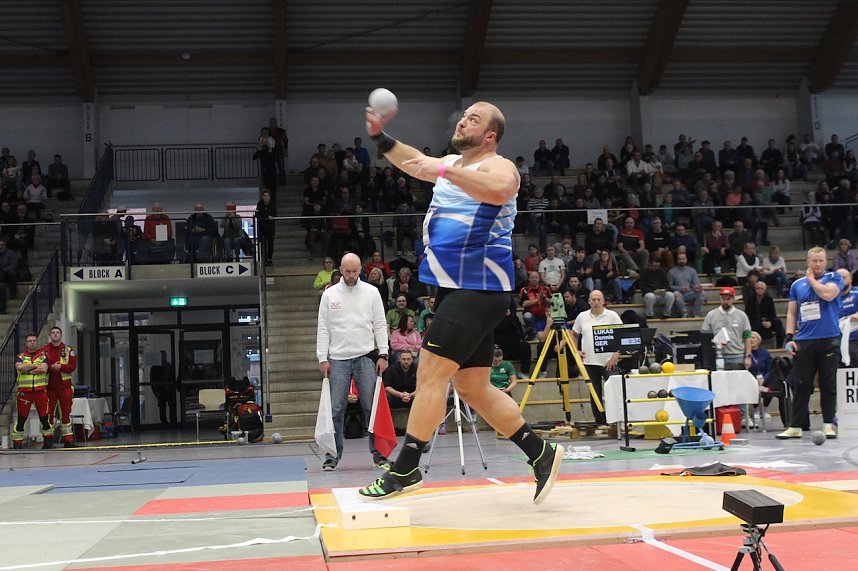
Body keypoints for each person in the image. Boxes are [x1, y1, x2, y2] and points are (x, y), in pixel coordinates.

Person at [358, 101, 563, 503]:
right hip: (457, 288)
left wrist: (442, 169)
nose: (463, 120)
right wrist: (381, 138)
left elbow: (500, 189)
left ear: (489, 136)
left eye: (474, 119)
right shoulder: (452, 163)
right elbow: (417, 163)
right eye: (464, 115)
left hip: (481, 286)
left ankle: (407, 467)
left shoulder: (498, 166)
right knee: (472, 387)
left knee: (429, 373)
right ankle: (541, 453)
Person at [317, 253, 390, 471]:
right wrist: (322, 357)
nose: (351, 275)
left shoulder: (372, 292)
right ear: (340, 269)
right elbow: (323, 328)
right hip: (337, 358)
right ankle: (331, 455)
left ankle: (379, 455)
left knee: (371, 408)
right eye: (347, 271)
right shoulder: (329, 295)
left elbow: (380, 323)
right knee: (336, 410)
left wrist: (384, 354)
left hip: (366, 356)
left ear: (361, 270)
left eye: (355, 271)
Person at [779, 247, 842, 440]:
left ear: (826, 261)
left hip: (829, 339)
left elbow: (827, 295)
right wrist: (789, 337)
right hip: (805, 340)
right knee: (801, 384)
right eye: (814, 260)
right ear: (808, 261)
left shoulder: (834, 278)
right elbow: (791, 312)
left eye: (821, 260)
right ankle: (795, 426)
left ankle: (828, 424)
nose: (817, 264)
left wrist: (812, 280)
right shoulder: (797, 285)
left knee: (828, 383)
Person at [571, 290, 622, 426]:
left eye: (599, 299)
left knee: (614, 392)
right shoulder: (582, 316)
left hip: (609, 361)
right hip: (589, 361)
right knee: (594, 394)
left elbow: (622, 336)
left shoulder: (612, 316)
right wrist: (576, 351)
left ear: (603, 301)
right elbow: (574, 334)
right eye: (593, 299)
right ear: (589, 301)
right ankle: (600, 422)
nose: (596, 302)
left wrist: (616, 355)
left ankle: (616, 421)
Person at [11, 333, 53, 449]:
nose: (32, 342)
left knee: (44, 417)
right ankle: (17, 442)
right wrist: (35, 366)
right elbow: (19, 367)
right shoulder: (20, 356)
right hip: (24, 392)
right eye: (30, 341)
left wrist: (27, 369)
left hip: (40, 391)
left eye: (34, 340)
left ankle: (48, 439)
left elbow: (43, 369)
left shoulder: (43, 356)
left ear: (37, 342)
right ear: (26, 343)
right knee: (21, 418)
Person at [41, 326, 78, 448]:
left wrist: (61, 367)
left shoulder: (68, 350)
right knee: (48, 414)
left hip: (65, 387)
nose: (55, 334)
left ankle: (68, 439)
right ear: (50, 335)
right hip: (49, 388)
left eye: (57, 333)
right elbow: (40, 367)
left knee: (65, 413)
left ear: (61, 335)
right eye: (53, 333)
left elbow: (72, 366)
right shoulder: (43, 351)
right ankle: (48, 439)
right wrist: (52, 367)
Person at [701, 287, 753, 370]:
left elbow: (747, 336)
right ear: (720, 299)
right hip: (717, 355)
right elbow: (704, 336)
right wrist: (714, 342)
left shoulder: (742, 315)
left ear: (733, 299)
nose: (725, 301)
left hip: (737, 355)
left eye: (728, 299)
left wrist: (748, 356)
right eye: (723, 298)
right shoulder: (711, 315)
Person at [745, 280, 786, 348]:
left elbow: (772, 313)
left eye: (762, 288)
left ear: (765, 290)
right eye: (758, 288)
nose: (760, 290)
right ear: (755, 289)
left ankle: (779, 346)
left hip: (768, 321)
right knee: (753, 324)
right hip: (756, 322)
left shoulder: (769, 299)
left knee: (778, 322)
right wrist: (762, 322)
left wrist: (769, 321)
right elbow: (750, 315)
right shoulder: (750, 301)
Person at [668, 252, 704, 318]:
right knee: (676, 294)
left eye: (683, 259)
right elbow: (669, 286)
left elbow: (696, 283)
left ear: (686, 259)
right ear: (677, 260)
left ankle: (695, 313)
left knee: (701, 292)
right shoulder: (671, 272)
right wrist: (680, 288)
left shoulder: (692, 271)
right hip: (679, 294)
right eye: (679, 259)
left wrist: (696, 287)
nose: (681, 260)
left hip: (690, 293)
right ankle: (684, 313)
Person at [150, 350, 177, 426]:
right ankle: (164, 423)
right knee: (162, 408)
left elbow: (172, 377)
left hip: (169, 390)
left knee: (172, 406)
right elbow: (152, 380)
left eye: (165, 356)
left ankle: (173, 422)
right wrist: (155, 391)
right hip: (160, 391)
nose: (164, 357)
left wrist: (172, 388)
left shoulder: (169, 366)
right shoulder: (155, 367)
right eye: (162, 356)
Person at [255, 190, 276, 266]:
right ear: (262, 197)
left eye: (268, 196)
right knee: (263, 245)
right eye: (265, 196)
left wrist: (265, 214)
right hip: (262, 228)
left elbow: (274, 213)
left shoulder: (272, 204)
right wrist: (267, 216)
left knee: (270, 244)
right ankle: (264, 259)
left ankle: (269, 259)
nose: (266, 197)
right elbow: (258, 213)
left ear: (270, 197)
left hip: (270, 228)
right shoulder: (260, 204)